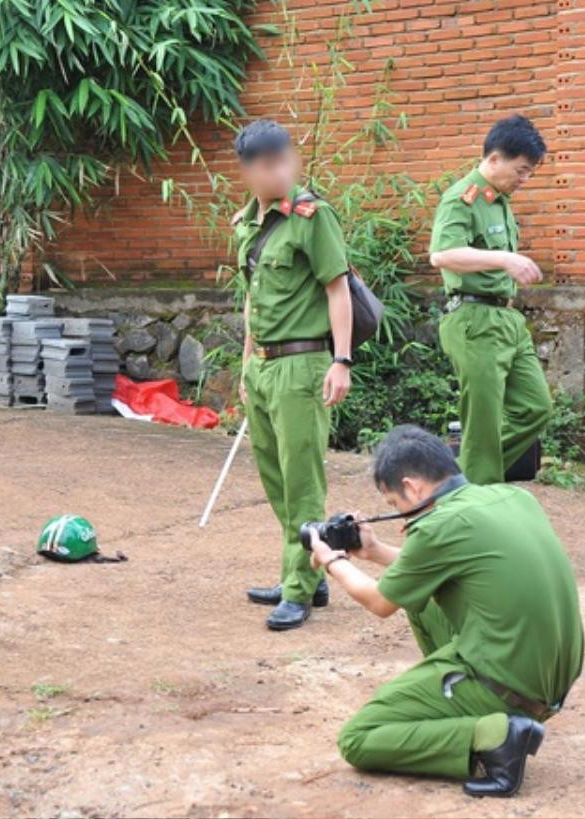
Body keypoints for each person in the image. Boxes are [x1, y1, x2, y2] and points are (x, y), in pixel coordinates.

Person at [305, 425, 584, 797]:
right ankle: (460, 699)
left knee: (358, 738)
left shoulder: (437, 526)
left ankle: (494, 734)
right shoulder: (509, 496)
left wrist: (330, 559)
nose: (398, 512)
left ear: (414, 487)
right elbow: (442, 564)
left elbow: (378, 601)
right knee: (418, 600)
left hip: (512, 686)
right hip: (550, 679)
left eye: (394, 504)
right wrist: (373, 552)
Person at [230, 119, 354, 631]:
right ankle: (309, 570)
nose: (279, 171)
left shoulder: (311, 216)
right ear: (248, 171)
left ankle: (299, 592)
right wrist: (244, 364)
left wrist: (341, 360)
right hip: (262, 368)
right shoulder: (246, 223)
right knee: (277, 481)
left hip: (302, 366)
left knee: (302, 484)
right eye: (266, 165)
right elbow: (251, 300)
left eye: (284, 159)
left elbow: (337, 289)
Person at [428, 114, 552, 485]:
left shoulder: (498, 201)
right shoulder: (461, 199)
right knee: (482, 427)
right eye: (522, 170)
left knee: (536, 408)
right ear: (495, 159)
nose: (524, 179)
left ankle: (459, 480)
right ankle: (476, 503)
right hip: (474, 320)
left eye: (529, 172)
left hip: (506, 320)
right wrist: (505, 258)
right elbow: (441, 255)